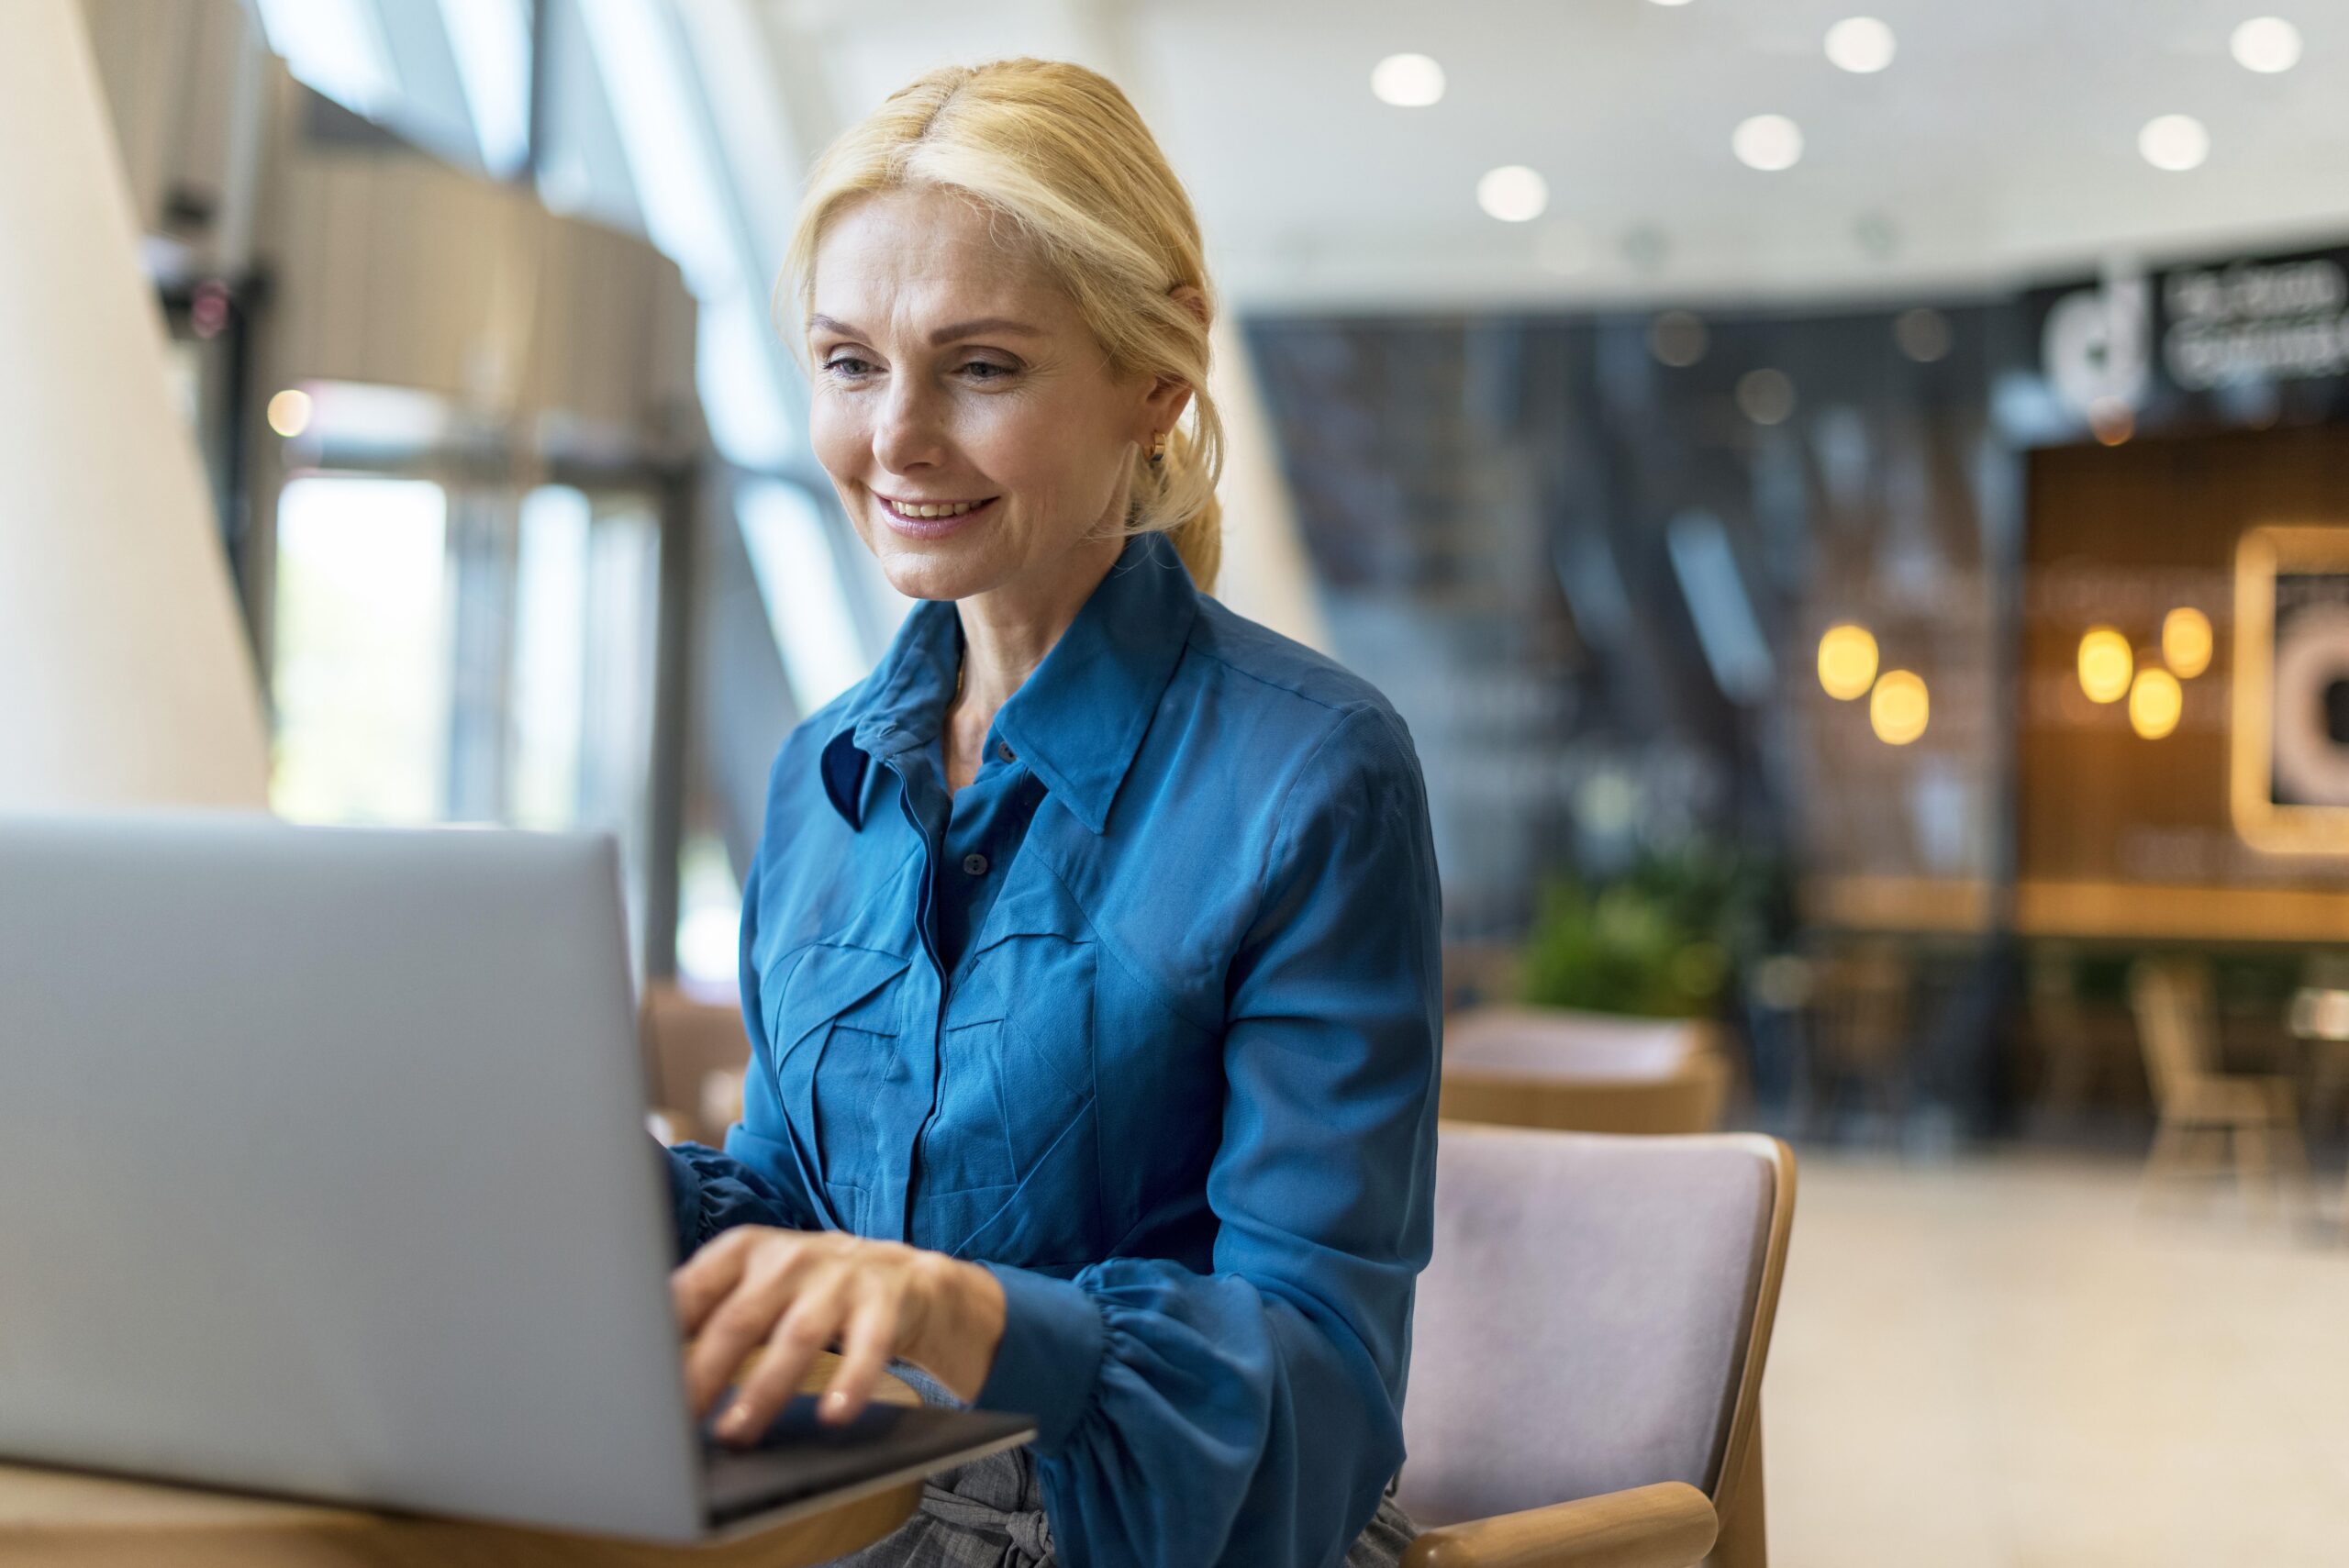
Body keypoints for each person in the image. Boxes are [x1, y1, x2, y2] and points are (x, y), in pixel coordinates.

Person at [662, 57, 1442, 1568]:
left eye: (981, 367)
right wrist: (596, 1190)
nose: (896, 437)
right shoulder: (823, 776)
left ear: (1159, 376)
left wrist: (968, 1315)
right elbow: (788, 1212)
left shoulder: (1314, 776)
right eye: (848, 362)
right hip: (855, 1522)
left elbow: (1323, 1402)